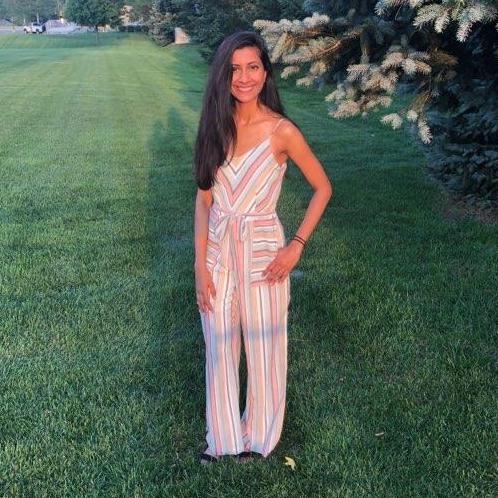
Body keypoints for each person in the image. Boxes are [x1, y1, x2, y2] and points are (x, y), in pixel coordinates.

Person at [193, 31, 333, 465]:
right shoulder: (214, 126)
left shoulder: (281, 131)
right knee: (219, 342)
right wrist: (200, 266)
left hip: (264, 251)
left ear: (266, 72)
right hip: (218, 251)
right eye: (234, 69)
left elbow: (323, 188)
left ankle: (258, 437)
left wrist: (296, 246)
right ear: (223, 75)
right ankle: (222, 439)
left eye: (252, 67)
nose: (244, 77)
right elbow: (203, 200)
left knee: (263, 345)